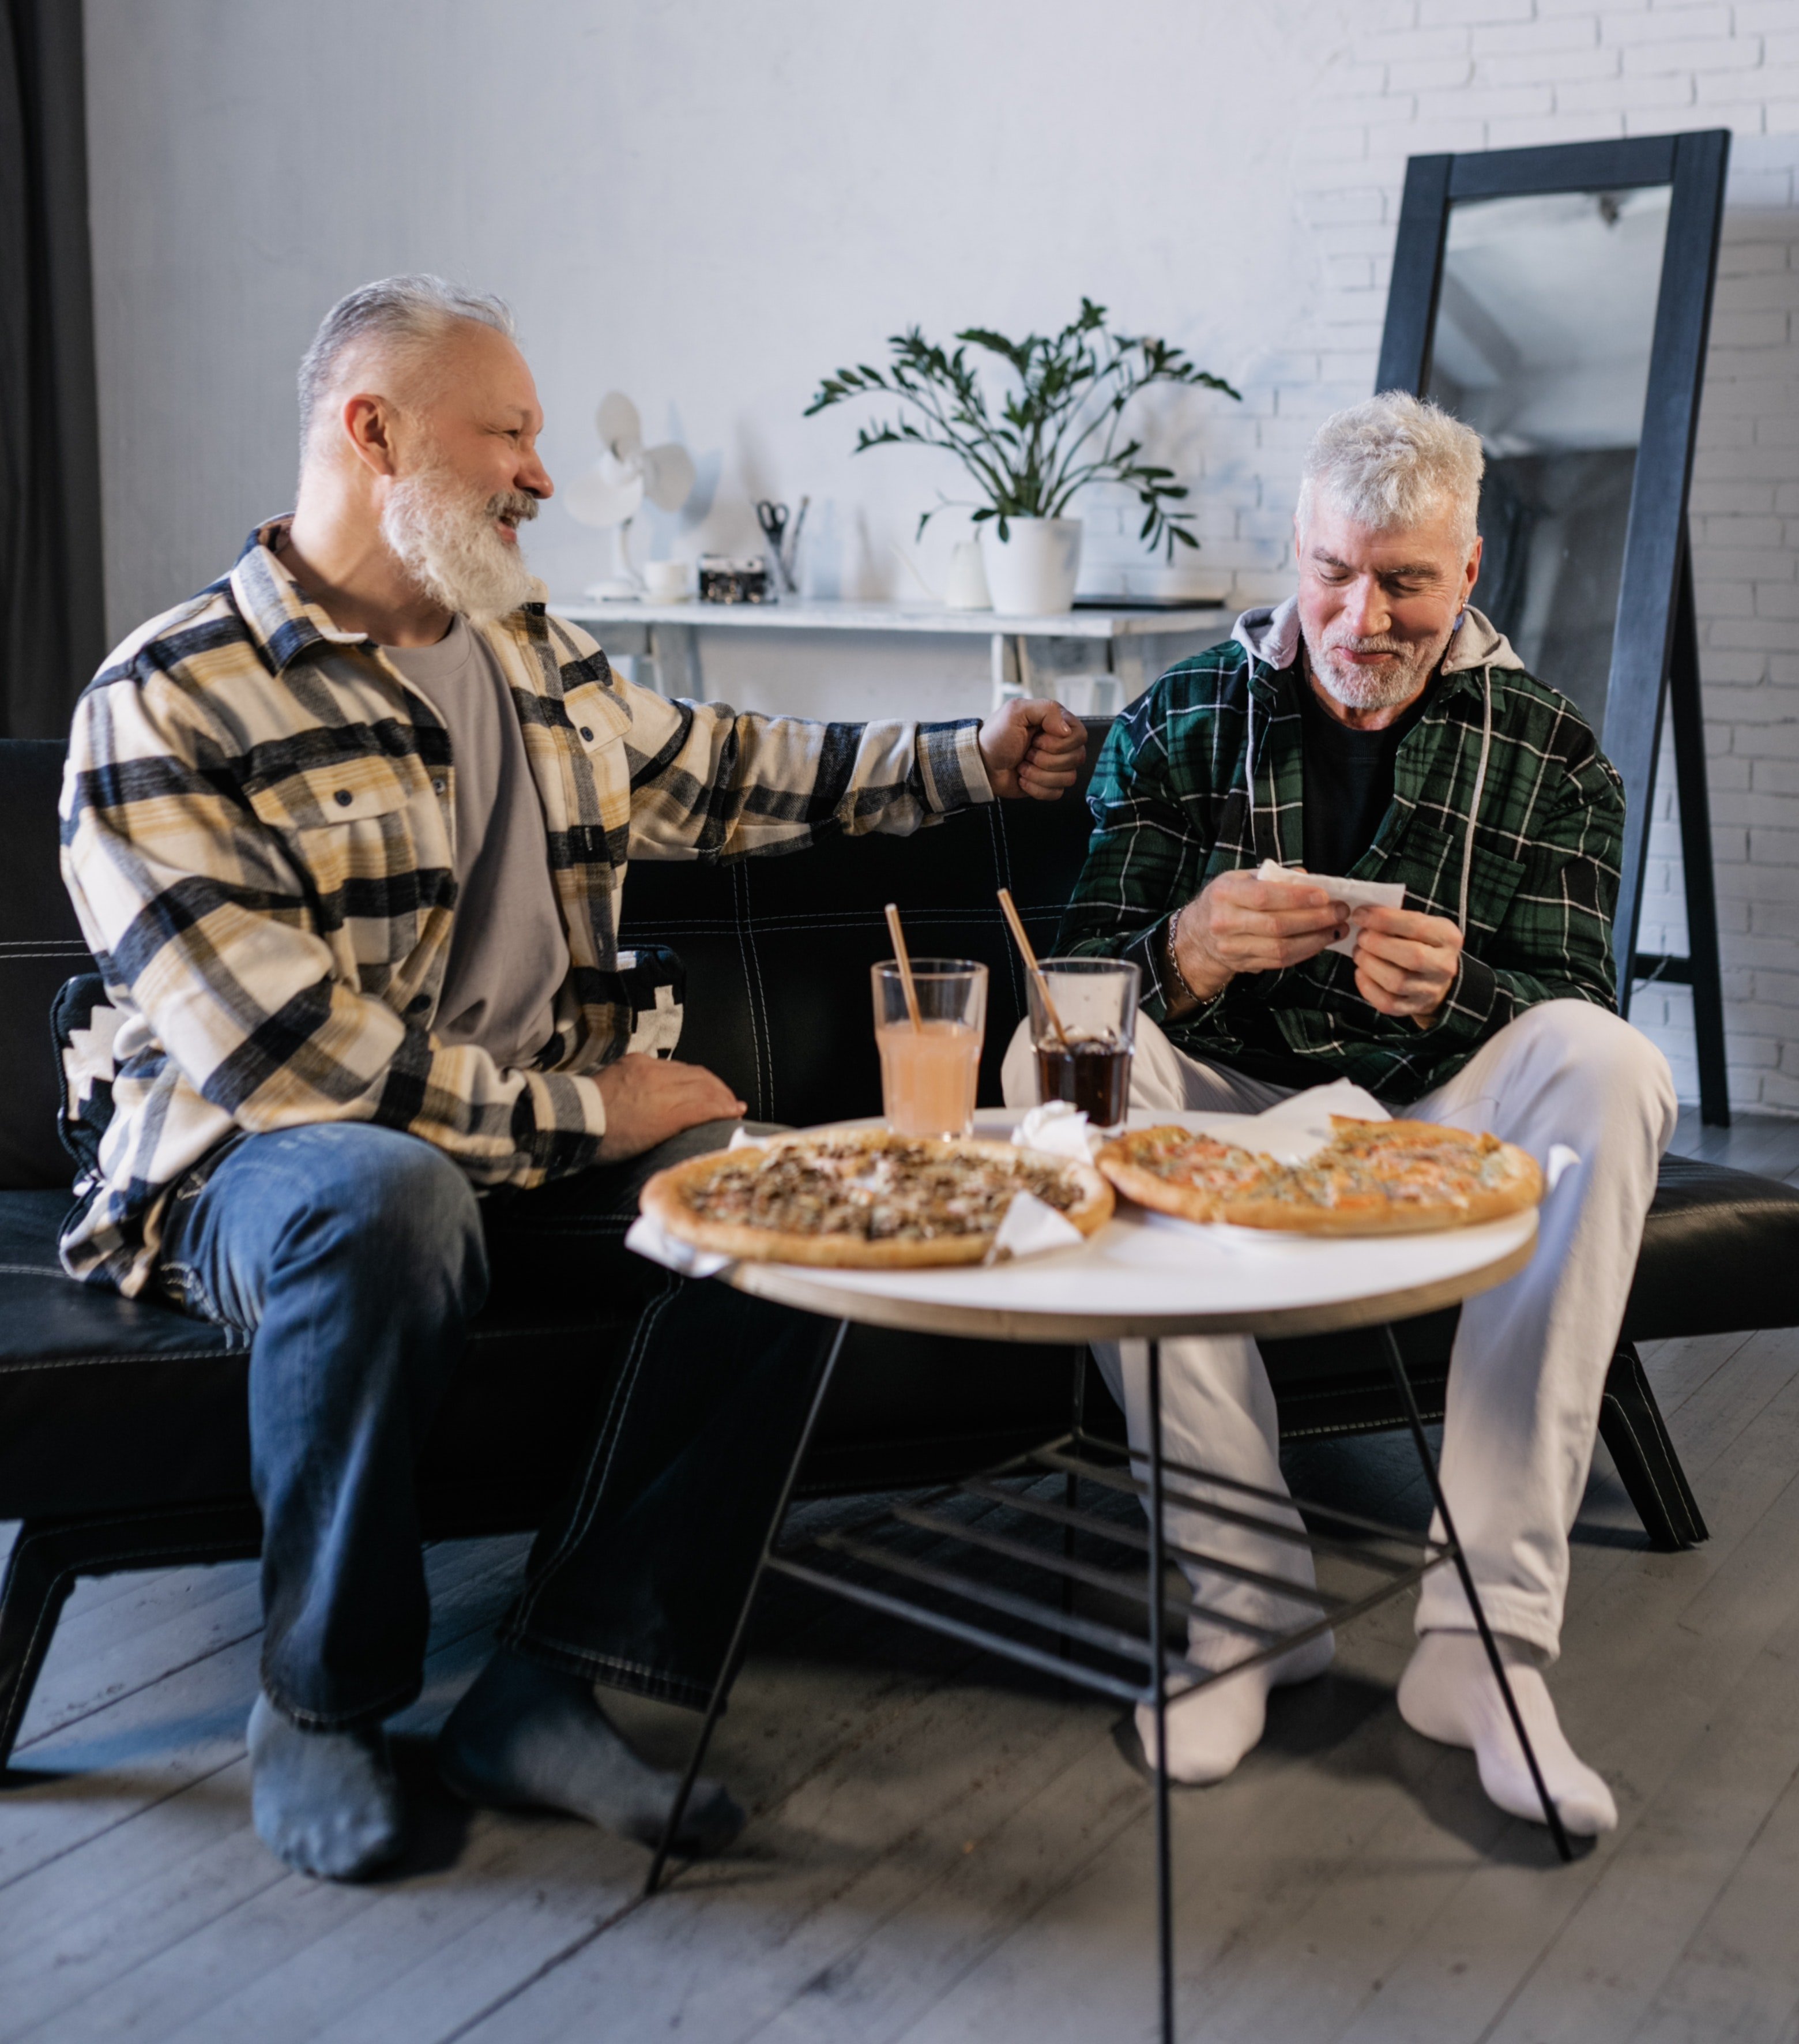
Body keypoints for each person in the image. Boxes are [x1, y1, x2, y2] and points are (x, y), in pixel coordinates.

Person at [61, 274, 1086, 1884]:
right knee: (381, 1194)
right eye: (512, 434)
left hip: (519, 1132)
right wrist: (589, 1116)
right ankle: (319, 1710)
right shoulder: (166, 701)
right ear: (375, 432)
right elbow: (287, 1062)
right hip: (255, 1172)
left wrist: (966, 759)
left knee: (798, 1201)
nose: (544, 474)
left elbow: (721, 766)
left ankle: (554, 1676)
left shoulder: (527, 646)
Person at [1003, 391, 1674, 1841]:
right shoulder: (1183, 720)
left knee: (1615, 1067)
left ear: (1470, 575)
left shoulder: (1556, 750)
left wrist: (1462, 990)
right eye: (1333, 572)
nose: (1362, 618)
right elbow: (1085, 984)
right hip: (1227, 1098)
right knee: (1045, 1067)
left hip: (1435, 1103)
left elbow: (1574, 997)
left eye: (1406, 581)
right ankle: (1249, 1615)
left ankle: (1483, 1650)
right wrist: (1184, 945)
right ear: (1297, 553)